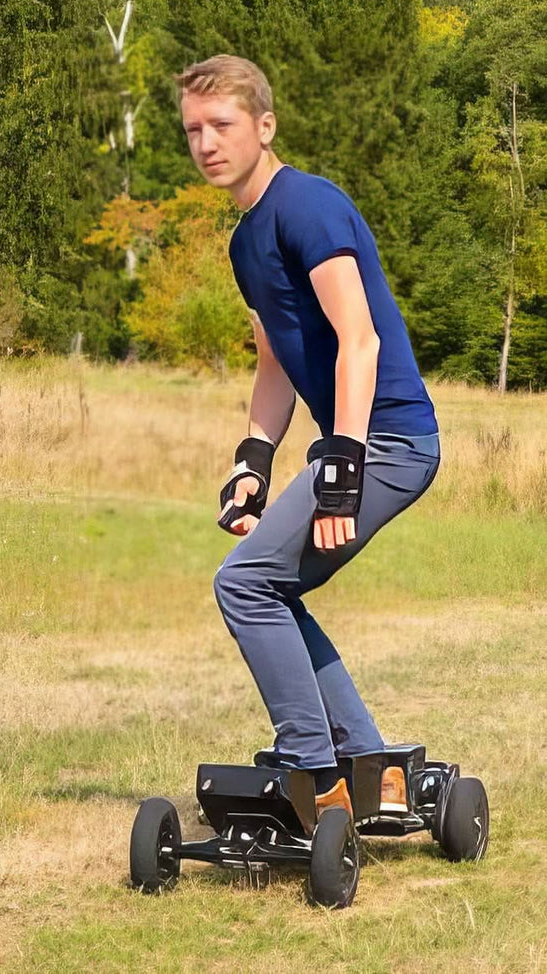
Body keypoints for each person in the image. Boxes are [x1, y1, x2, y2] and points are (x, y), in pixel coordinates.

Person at [177, 54, 441, 818]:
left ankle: (314, 777)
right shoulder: (244, 243)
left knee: (244, 583)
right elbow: (275, 362)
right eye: (193, 129)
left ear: (264, 126)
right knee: (270, 587)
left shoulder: (308, 206)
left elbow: (358, 341)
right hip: (360, 445)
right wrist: (251, 461)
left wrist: (341, 469)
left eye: (221, 125)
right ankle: (370, 765)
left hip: (389, 442)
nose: (206, 143)